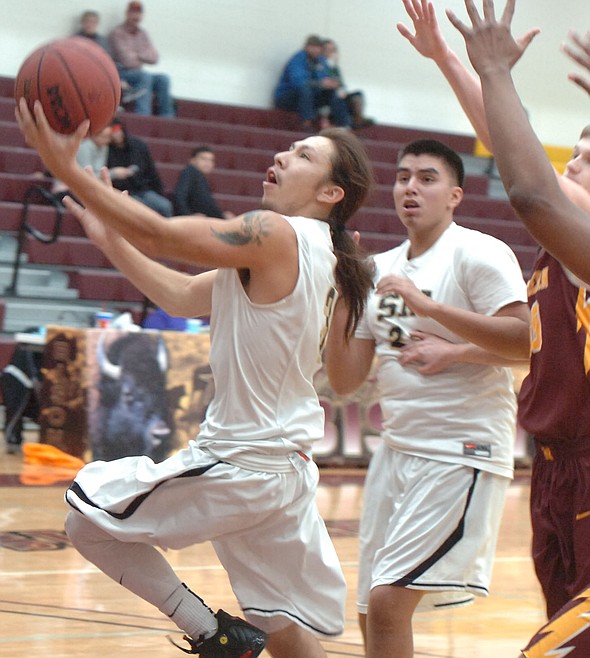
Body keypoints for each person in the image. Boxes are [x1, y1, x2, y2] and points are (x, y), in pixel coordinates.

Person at [15, 91, 376, 656]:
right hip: (283, 470)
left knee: (88, 519)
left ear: (331, 193)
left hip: (243, 463)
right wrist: (111, 241)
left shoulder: (273, 233)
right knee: (287, 636)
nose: (282, 156)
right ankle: (227, 637)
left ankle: (213, 634)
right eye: (288, 149)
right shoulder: (315, 253)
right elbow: (182, 294)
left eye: (304, 155)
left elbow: (162, 235)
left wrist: (69, 170)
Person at [399, 0, 590, 632]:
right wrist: (448, 59)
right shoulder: (555, 256)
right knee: (561, 621)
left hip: (584, 461)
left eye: (588, 156)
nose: (572, 162)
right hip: (553, 466)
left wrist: (488, 70)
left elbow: (527, 178)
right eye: (574, 151)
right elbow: (528, 346)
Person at [325, 137, 530, 658]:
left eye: (426, 178)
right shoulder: (379, 269)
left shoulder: (478, 252)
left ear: (455, 195)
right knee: (370, 607)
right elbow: (346, 381)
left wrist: (443, 330)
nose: (410, 188)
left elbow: (527, 341)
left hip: (462, 449)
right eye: (402, 177)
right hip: (396, 451)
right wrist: (345, 293)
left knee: (389, 599)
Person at [108, 1, 175, 117]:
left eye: (139, 13)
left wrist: (136, 55)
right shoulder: (117, 33)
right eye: (133, 13)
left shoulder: (143, 34)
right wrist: (143, 55)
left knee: (164, 79)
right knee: (145, 76)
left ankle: (167, 117)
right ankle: (143, 116)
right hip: (121, 73)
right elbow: (127, 60)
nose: (136, 16)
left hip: (137, 73)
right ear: (127, 14)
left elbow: (154, 57)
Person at [274, 35, 351, 131]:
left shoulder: (321, 61)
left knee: (336, 93)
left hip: (310, 97)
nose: (316, 50)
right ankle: (306, 123)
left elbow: (326, 77)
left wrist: (331, 83)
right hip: (287, 97)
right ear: (306, 47)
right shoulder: (297, 59)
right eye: (313, 47)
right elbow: (298, 82)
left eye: (318, 47)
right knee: (305, 89)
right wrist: (320, 84)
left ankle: (344, 126)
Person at [75, 10, 146, 107]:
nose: (90, 24)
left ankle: (123, 91)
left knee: (142, 75)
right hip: (88, 72)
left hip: (107, 70)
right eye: (87, 21)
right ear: (82, 23)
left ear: (97, 24)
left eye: (93, 22)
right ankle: (122, 91)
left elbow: (109, 59)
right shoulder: (75, 41)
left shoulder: (102, 41)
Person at [107, 118, 173, 217]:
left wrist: (159, 191)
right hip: (122, 191)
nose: (115, 134)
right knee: (141, 206)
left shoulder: (138, 146)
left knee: (166, 205)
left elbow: (151, 170)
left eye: (117, 130)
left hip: (143, 189)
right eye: (111, 132)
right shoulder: (107, 150)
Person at [321, 39, 374, 130]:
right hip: (324, 94)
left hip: (336, 92)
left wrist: (342, 90)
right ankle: (345, 125)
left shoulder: (334, 67)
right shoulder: (320, 64)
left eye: (333, 50)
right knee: (337, 96)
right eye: (329, 50)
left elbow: (339, 82)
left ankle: (358, 119)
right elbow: (324, 80)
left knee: (358, 95)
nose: (332, 53)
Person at [174, 146, 235, 219]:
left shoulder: (199, 176)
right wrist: (188, 216)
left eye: (211, 160)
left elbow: (207, 203)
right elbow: (179, 196)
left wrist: (221, 215)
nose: (207, 163)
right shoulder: (190, 172)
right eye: (203, 159)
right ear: (193, 160)